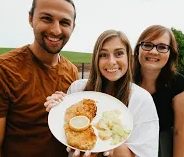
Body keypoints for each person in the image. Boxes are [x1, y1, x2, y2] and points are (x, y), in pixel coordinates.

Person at [0, 0, 79, 157]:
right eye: (47, 18)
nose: (56, 30)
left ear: (73, 27)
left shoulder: (72, 71)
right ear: (31, 18)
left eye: (65, 22)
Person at [45, 29, 159, 157]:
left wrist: (111, 150)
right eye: (103, 55)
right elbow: (65, 131)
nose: (111, 61)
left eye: (119, 53)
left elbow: (146, 153)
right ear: (96, 59)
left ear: (129, 57)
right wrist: (58, 107)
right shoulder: (78, 89)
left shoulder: (142, 99)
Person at [132, 25, 184, 157]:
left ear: (171, 53)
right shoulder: (126, 80)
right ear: (138, 50)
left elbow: (179, 132)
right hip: (128, 143)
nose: (153, 51)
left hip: (161, 146)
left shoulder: (178, 84)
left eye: (162, 47)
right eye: (147, 45)